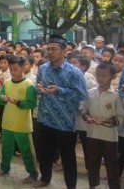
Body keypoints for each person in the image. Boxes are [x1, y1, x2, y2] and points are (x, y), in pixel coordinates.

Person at [34, 35, 87, 189]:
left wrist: (60, 90)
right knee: (44, 153)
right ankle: (45, 178)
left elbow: (81, 95)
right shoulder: (43, 68)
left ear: (64, 51)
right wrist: (39, 90)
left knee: (67, 157)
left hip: (65, 122)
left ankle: (71, 185)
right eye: (48, 49)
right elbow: (38, 86)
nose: (50, 52)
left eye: (54, 49)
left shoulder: (74, 72)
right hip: (45, 118)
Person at [0, 55, 38, 183]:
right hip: (8, 122)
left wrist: (18, 103)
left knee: (26, 150)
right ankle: (4, 168)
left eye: (16, 69)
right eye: (11, 69)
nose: (13, 72)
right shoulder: (7, 82)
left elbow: (31, 103)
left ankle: (33, 173)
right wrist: (2, 99)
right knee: (6, 148)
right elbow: (1, 99)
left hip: (22, 124)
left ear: (23, 68)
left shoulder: (28, 84)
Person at [82, 62, 124, 189]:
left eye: (104, 76)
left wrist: (106, 121)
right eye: (98, 75)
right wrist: (87, 117)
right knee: (92, 163)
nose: (100, 78)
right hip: (92, 134)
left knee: (112, 165)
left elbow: (121, 117)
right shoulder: (90, 93)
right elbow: (83, 108)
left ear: (113, 77)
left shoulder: (116, 96)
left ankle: (114, 186)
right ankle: (92, 185)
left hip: (110, 137)